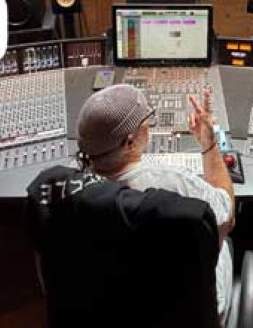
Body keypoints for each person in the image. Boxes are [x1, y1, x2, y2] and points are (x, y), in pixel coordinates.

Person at [75, 83, 235, 318]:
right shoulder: (177, 183)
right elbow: (227, 216)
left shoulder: (64, 192)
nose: (150, 126)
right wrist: (208, 144)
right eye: (146, 122)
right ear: (130, 142)